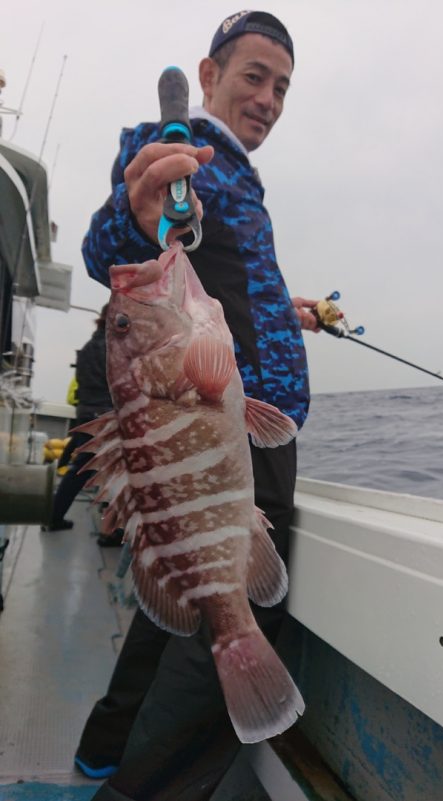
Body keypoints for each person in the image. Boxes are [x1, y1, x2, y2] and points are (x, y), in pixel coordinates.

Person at [75, 11, 319, 799]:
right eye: (255, 76)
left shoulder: (238, 175)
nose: (269, 98)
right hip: (229, 432)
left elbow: (227, 280)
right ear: (208, 75)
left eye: (282, 87)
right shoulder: (185, 157)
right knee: (236, 605)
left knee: (180, 589)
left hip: (219, 427)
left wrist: (287, 311)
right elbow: (116, 242)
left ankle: (104, 745)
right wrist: (133, 216)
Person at [43, 305, 120, 545]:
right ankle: (110, 532)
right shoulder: (115, 348)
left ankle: (54, 516)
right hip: (107, 416)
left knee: (80, 469)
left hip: (86, 414)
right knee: (117, 471)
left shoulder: (87, 348)